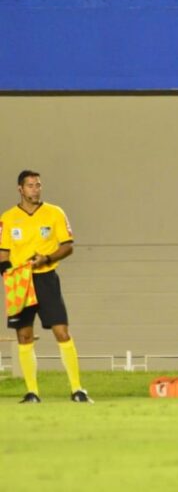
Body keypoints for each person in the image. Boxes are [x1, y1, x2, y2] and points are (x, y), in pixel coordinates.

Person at [0, 170, 90, 403]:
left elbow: (68, 245)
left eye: (38, 185)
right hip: (20, 281)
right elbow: (3, 252)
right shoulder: (8, 218)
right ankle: (32, 392)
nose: (35, 189)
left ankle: (77, 390)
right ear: (20, 189)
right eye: (30, 185)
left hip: (46, 277)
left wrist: (47, 258)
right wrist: (8, 274)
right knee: (24, 335)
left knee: (62, 331)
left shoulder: (55, 213)